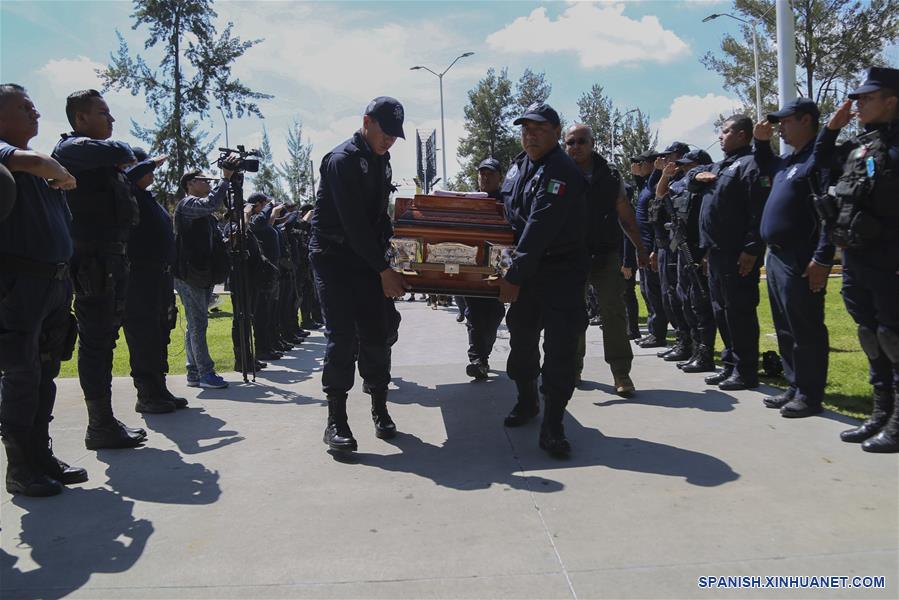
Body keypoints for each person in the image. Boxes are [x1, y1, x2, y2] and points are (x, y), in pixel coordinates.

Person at [0, 83, 85, 495]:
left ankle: (39, 454)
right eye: (24, 108)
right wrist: (63, 172)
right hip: (20, 285)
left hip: (53, 282)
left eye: (35, 108)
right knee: (21, 373)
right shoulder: (8, 155)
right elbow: (32, 161)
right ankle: (20, 466)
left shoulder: (38, 168)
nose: (35, 114)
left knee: (46, 370)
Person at [311, 96, 408, 453]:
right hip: (334, 257)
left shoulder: (382, 161)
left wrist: (393, 259)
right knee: (341, 339)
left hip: (366, 259)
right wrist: (383, 270)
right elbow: (352, 224)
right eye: (386, 132)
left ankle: (379, 409)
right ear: (367, 122)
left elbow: (378, 218)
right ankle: (336, 420)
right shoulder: (343, 160)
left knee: (376, 334)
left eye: (396, 135)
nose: (390, 140)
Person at [52, 89, 147, 450]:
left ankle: (103, 420)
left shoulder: (93, 159)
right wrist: (123, 156)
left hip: (109, 260)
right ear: (80, 118)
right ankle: (100, 426)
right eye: (103, 113)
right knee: (95, 342)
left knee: (105, 340)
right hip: (93, 263)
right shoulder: (71, 149)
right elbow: (123, 151)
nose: (111, 120)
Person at [494, 102, 587, 457]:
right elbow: (506, 215)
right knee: (521, 344)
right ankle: (527, 401)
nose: (530, 136)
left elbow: (539, 227)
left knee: (560, 351)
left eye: (538, 130)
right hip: (526, 271)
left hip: (559, 272)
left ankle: (553, 424)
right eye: (525, 130)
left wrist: (512, 275)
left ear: (555, 133)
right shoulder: (519, 167)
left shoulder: (561, 170)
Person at [816, 67, 899, 452]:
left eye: (866, 98)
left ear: (891, 100)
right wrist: (832, 128)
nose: (857, 104)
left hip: (889, 258)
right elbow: (820, 160)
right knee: (869, 335)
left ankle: (897, 422)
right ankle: (880, 414)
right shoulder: (861, 146)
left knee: (892, 336)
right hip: (856, 257)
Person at [754, 98, 832, 418]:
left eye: (785, 121)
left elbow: (829, 213)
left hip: (801, 254)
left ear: (805, 120)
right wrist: (761, 143)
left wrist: (823, 257)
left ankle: (810, 394)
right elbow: (766, 166)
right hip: (777, 257)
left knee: (805, 327)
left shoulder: (819, 159)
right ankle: (795, 384)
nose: (780, 127)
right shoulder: (789, 162)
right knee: (786, 327)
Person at [565, 124, 648, 397]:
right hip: (572, 256)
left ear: (592, 144)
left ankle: (621, 373)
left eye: (581, 141)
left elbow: (626, 217)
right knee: (573, 314)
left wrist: (640, 248)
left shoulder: (611, 177)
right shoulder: (560, 173)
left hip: (606, 255)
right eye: (570, 142)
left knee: (614, 313)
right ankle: (572, 368)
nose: (575, 147)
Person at [698, 115, 770, 390]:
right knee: (721, 311)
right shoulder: (723, 166)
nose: (720, 136)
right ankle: (730, 365)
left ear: (742, 135)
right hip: (716, 253)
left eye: (726, 131)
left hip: (736, 253)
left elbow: (758, 209)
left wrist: (752, 248)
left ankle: (746, 370)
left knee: (739, 312)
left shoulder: (751, 164)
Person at [122, 148, 187, 413]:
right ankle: (146, 395)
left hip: (160, 277)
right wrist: (150, 162)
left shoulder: (147, 198)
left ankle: (159, 389)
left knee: (161, 332)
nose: (151, 172)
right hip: (139, 277)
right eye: (144, 166)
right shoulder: (126, 192)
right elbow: (127, 177)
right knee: (144, 335)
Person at [173, 160, 238, 390]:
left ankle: (193, 372)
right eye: (204, 180)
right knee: (198, 324)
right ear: (190, 184)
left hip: (201, 273)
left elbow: (212, 240)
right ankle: (205, 373)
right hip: (189, 275)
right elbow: (212, 203)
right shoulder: (188, 204)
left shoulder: (202, 212)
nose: (209, 183)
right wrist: (226, 178)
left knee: (195, 325)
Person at [670, 149, 717, 373]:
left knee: (701, 303)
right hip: (684, 248)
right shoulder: (685, 187)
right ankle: (696, 349)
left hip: (699, 251)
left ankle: (706, 352)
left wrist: (707, 253)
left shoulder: (708, 190)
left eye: (689, 166)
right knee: (685, 299)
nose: (685, 170)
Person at [463, 157, 507, 381]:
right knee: (475, 313)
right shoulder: (469, 200)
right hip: (473, 266)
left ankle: (483, 355)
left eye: (490, 173)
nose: (485, 177)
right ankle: (477, 359)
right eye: (482, 173)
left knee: (495, 312)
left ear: (500, 177)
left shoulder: (507, 201)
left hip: (497, 267)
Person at [651, 142, 693, 361]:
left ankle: (690, 343)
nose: (666, 160)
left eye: (671, 156)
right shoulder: (671, 180)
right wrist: (663, 175)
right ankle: (681, 340)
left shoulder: (687, 181)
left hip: (681, 246)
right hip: (666, 244)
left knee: (682, 297)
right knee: (669, 297)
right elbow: (656, 200)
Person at [632, 150, 669, 348]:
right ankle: (654, 331)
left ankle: (658, 334)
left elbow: (657, 221)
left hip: (652, 248)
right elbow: (643, 190)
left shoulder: (656, 184)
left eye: (641, 162)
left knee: (655, 293)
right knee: (647, 291)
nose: (638, 166)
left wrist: (654, 248)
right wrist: (636, 175)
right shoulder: (648, 184)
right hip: (644, 248)